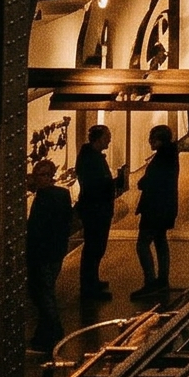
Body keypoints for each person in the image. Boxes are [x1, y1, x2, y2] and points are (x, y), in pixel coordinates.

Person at [25, 158, 71, 353]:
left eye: (43, 175)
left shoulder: (44, 199)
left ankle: (53, 331)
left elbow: (37, 229)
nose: (40, 179)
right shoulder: (62, 195)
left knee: (43, 294)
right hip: (56, 251)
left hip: (42, 253)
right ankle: (46, 333)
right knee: (45, 292)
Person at [133, 123, 179, 300]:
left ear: (159, 141)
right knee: (160, 241)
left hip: (155, 208)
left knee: (142, 244)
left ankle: (150, 282)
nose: (149, 142)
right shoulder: (170, 155)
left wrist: (142, 183)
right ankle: (162, 279)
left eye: (152, 139)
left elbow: (150, 182)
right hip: (166, 207)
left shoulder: (162, 158)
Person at [76, 122, 116, 303]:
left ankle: (92, 281)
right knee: (94, 247)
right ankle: (89, 287)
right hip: (96, 209)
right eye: (107, 137)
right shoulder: (92, 160)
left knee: (96, 247)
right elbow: (96, 184)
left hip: (97, 208)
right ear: (99, 139)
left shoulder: (89, 157)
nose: (109, 140)